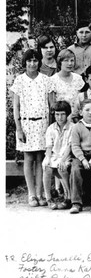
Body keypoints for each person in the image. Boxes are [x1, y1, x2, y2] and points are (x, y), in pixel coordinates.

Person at [11, 49, 51, 207]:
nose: (32, 64)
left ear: (39, 62)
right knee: (29, 158)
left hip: (42, 124)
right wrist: (18, 128)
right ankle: (31, 194)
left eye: (35, 60)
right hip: (26, 124)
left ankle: (40, 194)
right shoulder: (19, 80)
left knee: (41, 159)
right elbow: (16, 107)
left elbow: (50, 104)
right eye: (29, 61)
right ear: (25, 62)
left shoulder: (45, 80)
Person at [41, 100, 73, 210]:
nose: (60, 117)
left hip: (67, 156)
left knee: (61, 167)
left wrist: (63, 159)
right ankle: (49, 198)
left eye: (63, 114)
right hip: (54, 155)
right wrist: (48, 157)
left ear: (67, 114)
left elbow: (70, 146)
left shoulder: (72, 127)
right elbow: (49, 146)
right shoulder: (51, 128)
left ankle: (68, 197)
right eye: (57, 114)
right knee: (47, 167)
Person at [48, 49, 85, 120]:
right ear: (60, 62)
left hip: (77, 119)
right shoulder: (52, 80)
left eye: (72, 60)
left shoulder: (78, 79)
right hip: (61, 119)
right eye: (66, 60)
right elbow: (52, 106)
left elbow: (82, 100)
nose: (70, 63)